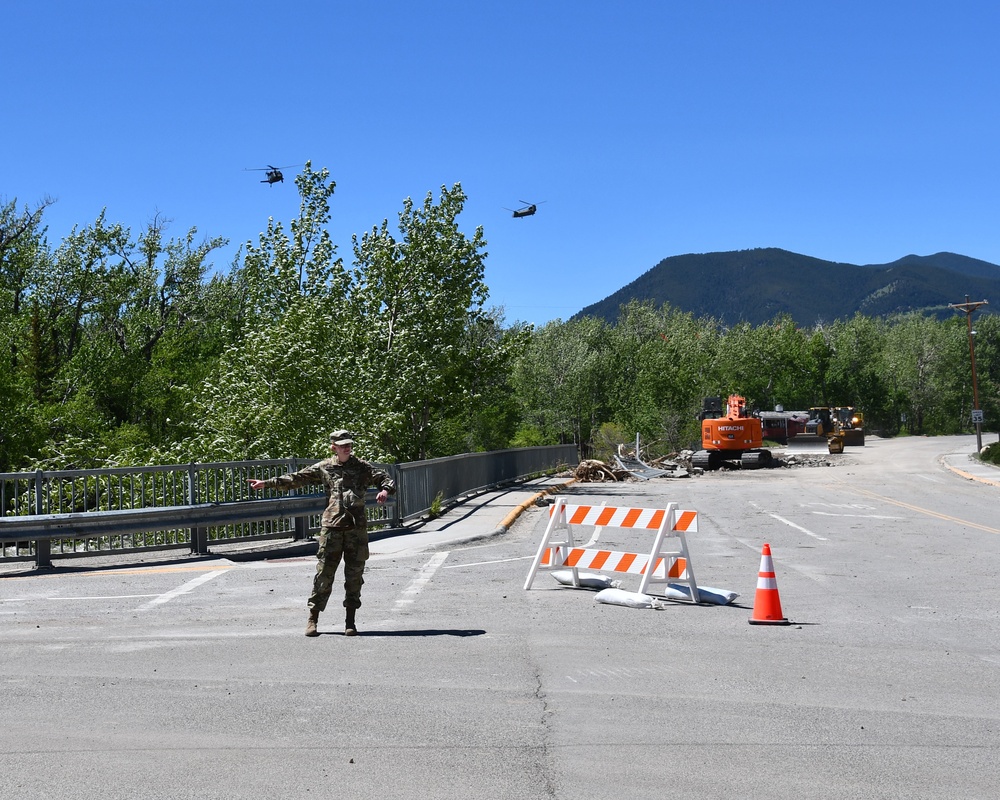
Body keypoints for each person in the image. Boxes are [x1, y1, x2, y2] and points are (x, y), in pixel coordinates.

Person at [248, 430, 395, 637]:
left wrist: (385, 490)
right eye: (342, 445)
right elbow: (297, 478)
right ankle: (313, 619)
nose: (347, 447)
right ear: (333, 447)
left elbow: (385, 478)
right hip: (332, 528)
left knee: (354, 576)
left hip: (356, 530)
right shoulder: (325, 467)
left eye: (349, 444)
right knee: (324, 575)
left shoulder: (362, 467)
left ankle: (350, 622)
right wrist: (267, 483)